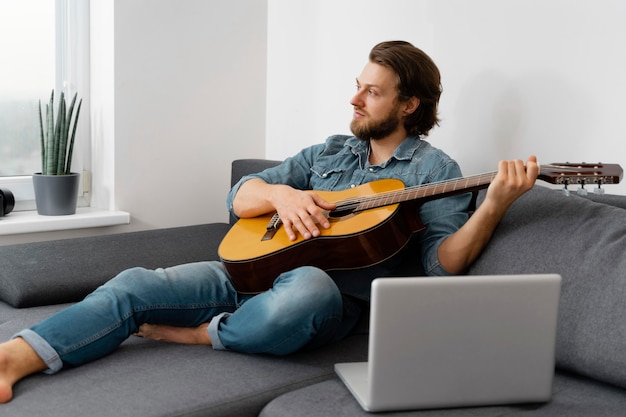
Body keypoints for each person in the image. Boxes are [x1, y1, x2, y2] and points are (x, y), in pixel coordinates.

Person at [0, 40, 538, 403]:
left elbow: (442, 269)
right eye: (357, 84)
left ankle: (207, 336)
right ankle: (17, 357)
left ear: (408, 105)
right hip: (249, 268)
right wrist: (282, 195)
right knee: (136, 283)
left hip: (329, 298)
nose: (354, 98)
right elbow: (240, 196)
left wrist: (492, 205)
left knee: (307, 287)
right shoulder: (329, 151)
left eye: (371, 91)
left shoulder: (435, 171)